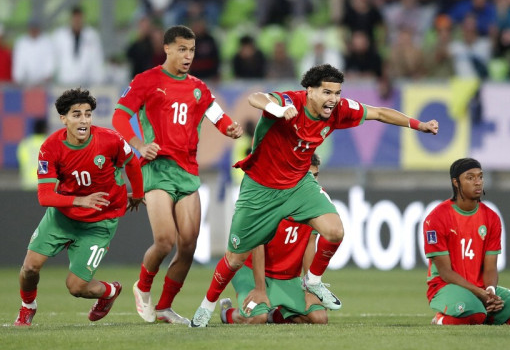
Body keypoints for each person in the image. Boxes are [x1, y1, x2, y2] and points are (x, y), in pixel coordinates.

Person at [189, 63, 439, 327]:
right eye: (327, 92)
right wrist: (277, 109)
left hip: (298, 183)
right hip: (260, 188)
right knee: (235, 259)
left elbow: (378, 112)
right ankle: (206, 307)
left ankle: (314, 281)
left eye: (337, 93)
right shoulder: (289, 102)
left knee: (335, 231)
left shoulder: (339, 111)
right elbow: (256, 98)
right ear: (309, 91)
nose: (333, 99)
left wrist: (418, 124)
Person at [112, 25, 244, 325]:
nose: (188, 56)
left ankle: (164, 307)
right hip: (157, 169)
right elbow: (119, 115)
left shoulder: (198, 87)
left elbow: (216, 115)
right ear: (167, 48)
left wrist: (230, 128)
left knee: (188, 245)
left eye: (192, 50)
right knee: (164, 240)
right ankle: (143, 288)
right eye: (182, 49)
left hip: (187, 172)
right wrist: (138, 146)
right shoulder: (146, 81)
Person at [14, 88, 145, 326]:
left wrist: (137, 194)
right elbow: (44, 196)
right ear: (63, 119)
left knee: (76, 287)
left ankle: (109, 292)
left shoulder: (110, 139)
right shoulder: (50, 147)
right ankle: (27, 307)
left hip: (99, 223)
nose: (83, 120)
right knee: (30, 268)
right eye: (76, 115)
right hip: (62, 217)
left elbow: (133, 164)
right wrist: (79, 200)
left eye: (87, 114)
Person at [220, 153, 328, 325]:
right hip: (251, 272)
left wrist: (310, 290)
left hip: (286, 278)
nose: (312, 182)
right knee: (256, 318)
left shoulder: (316, 200)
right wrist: (260, 289)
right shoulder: (272, 195)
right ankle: (227, 312)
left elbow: (310, 244)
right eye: (308, 176)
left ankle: (275, 314)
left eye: (315, 176)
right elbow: (257, 244)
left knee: (318, 318)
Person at [424, 158, 510, 326]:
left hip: (481, 288)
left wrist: (490, 291)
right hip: (445, 286)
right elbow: (445, 272)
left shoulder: (491, 217)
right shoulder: (436, 218)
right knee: (475, 316)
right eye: (470, 177)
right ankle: (440, 319)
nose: (478, 182)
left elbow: (490, 267)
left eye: (480, 177)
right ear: (456, 182)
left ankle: (480, 312)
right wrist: (480, 293)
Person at [51, 6, 105, 86]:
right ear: (71, 19)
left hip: (86, 81)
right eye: (75, 19)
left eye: (79, 19)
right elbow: (53, 58)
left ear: (83, 19)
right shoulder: (60, 36)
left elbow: (97, 59)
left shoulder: (92, 35)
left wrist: (99, 80)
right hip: (65, 81)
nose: (77, 21)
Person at [17, 118, 48, 191]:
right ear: (45, 129)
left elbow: (22, 163)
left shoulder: (25, 144)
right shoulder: (49, 144)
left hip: (27, 184)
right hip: (44, 186)